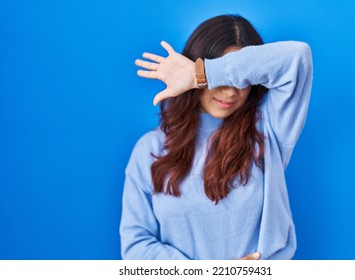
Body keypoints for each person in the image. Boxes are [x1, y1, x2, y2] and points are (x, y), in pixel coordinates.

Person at [120, 14, 313, 260]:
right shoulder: (150, 148)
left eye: (240, 78)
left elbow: (298, 56)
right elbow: (136, 246)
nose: (230, 91)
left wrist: (205, 74)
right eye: (221, 79)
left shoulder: (269, 131)